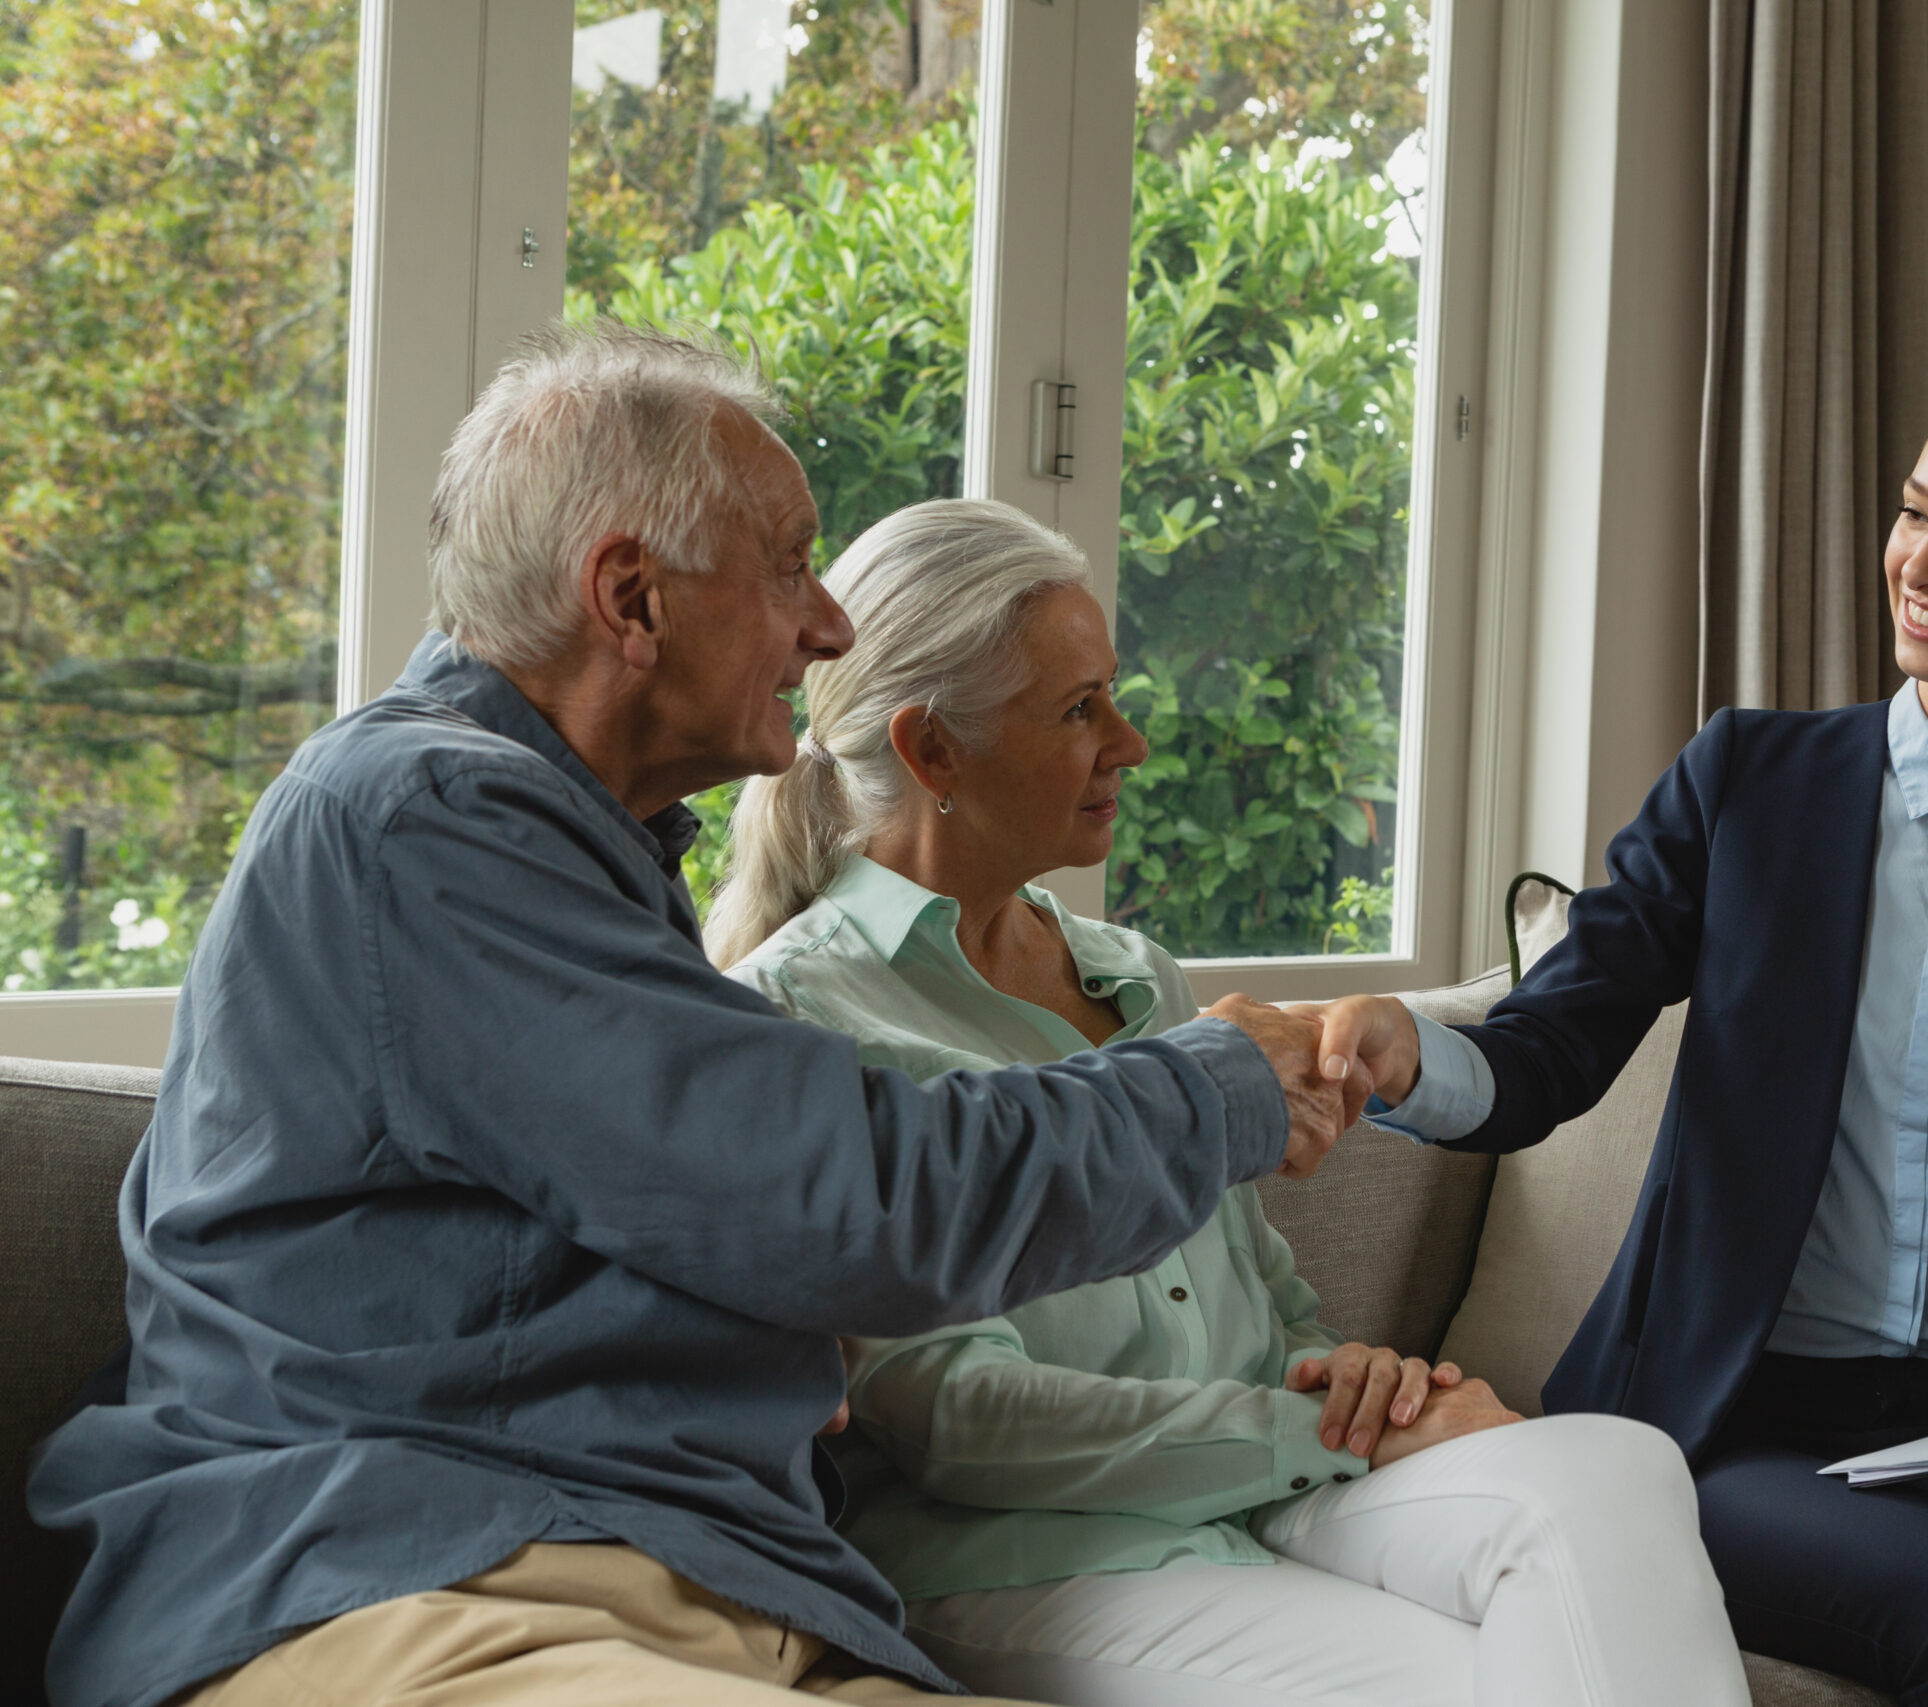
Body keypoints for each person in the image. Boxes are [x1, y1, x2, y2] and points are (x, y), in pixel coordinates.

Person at [26, 323, 1371, 1707]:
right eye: (790, 564)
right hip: (414, 1583)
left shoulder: (585, 855)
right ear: (631, 596)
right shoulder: (423, 819)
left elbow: (702, 1219)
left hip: (701, 1585)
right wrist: (1212, 1085)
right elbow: (857, 1197)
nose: (830, 625)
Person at [1320, 361, 1928, 1705]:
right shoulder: (1749, 782)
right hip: (1728, 1422)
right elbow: (1551, 1046)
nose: (1923, 561)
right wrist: (1400, 1049)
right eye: (1916, 512)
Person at [711, 497, 1753, 1707]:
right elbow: (952, 1417)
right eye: (1078, 709)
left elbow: (1263, 1301)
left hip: (1276, 1485)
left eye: (1112, 693)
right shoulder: (801, 1017)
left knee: (1616, 1471)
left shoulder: (1133, 972)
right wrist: (1305, 1429)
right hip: (1037, 1560)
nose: (1132, 743)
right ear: (934, 750)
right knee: (1489, 1683)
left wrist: (1355, 1379)